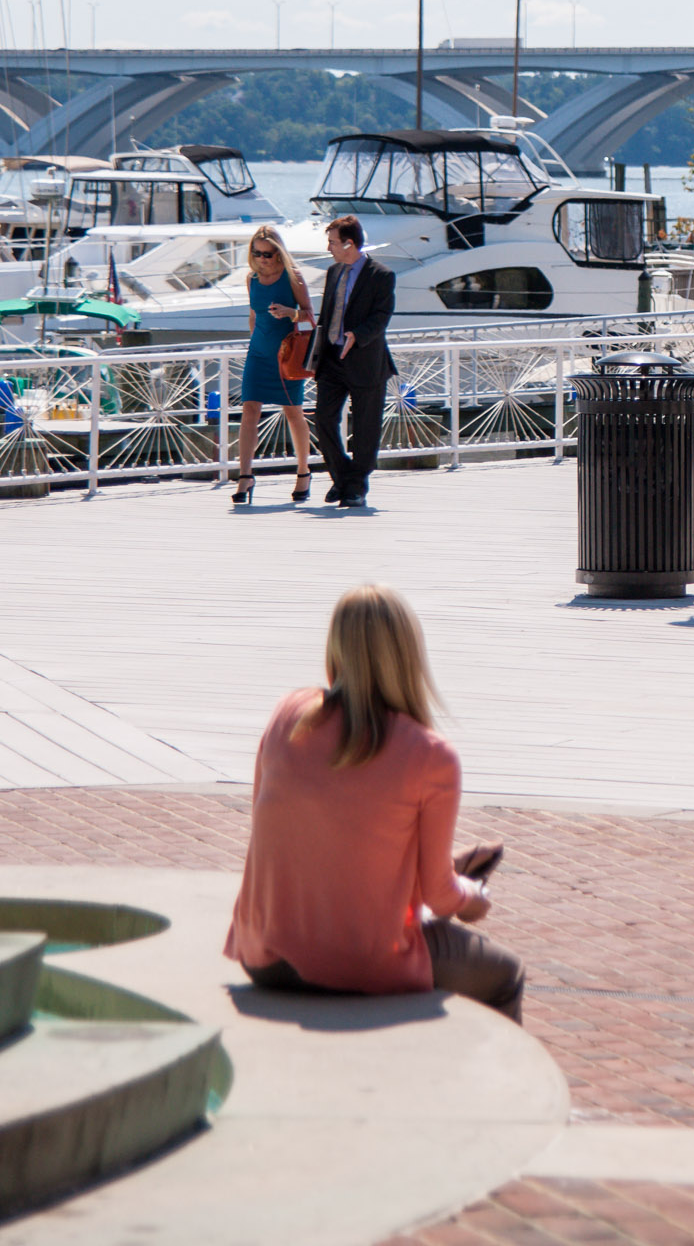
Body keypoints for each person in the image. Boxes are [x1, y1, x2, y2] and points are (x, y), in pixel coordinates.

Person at [224, 585, 524, 1019]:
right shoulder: (431, 755)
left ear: (336, 647)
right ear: (407, 655)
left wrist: (422, 869)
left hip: (265, 957)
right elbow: (442, 900)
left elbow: (289, 835)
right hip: (359, 962)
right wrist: (473, 895)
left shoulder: (288, 714)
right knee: (506, 975)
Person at [312, 214, 397, 509]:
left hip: (365, 360)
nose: (329, 248)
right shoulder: (333, 271)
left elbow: (382, 317)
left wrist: (356, 336)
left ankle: (356, 485)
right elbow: (326, 316)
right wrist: (315, 352)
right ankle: (343, 476)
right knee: (323, 418)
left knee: (365, 427)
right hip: (332, 359)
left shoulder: (381, 275)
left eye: (333, 242)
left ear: (349, 243)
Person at [231, 225, 316, 507]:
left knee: (293, 412)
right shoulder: (251, 279)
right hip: (258, 353)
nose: (264, 258)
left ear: (279, 253)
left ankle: (303, 471)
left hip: (287, 354)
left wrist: (291, 313)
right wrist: (253, 340)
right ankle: (245, 475)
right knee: (249, 410)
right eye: (258, 253)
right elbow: (253, 315)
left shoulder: (293, 277)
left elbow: (309, 317)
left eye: (269, 254)